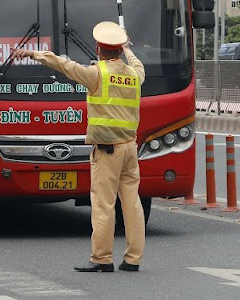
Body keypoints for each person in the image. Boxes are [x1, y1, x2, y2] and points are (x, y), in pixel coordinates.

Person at [15, 21, 145, 273]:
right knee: (132, 204)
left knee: (103, 205)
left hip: (107, 150)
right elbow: (138, 65)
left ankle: (102, 258)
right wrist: (128, 48)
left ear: (98, 49)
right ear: (119, 49)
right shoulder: (134, 75)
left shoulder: (97, 73)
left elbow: (63, 65)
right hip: (130, 148)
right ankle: (133, 259)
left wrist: (33, 54)